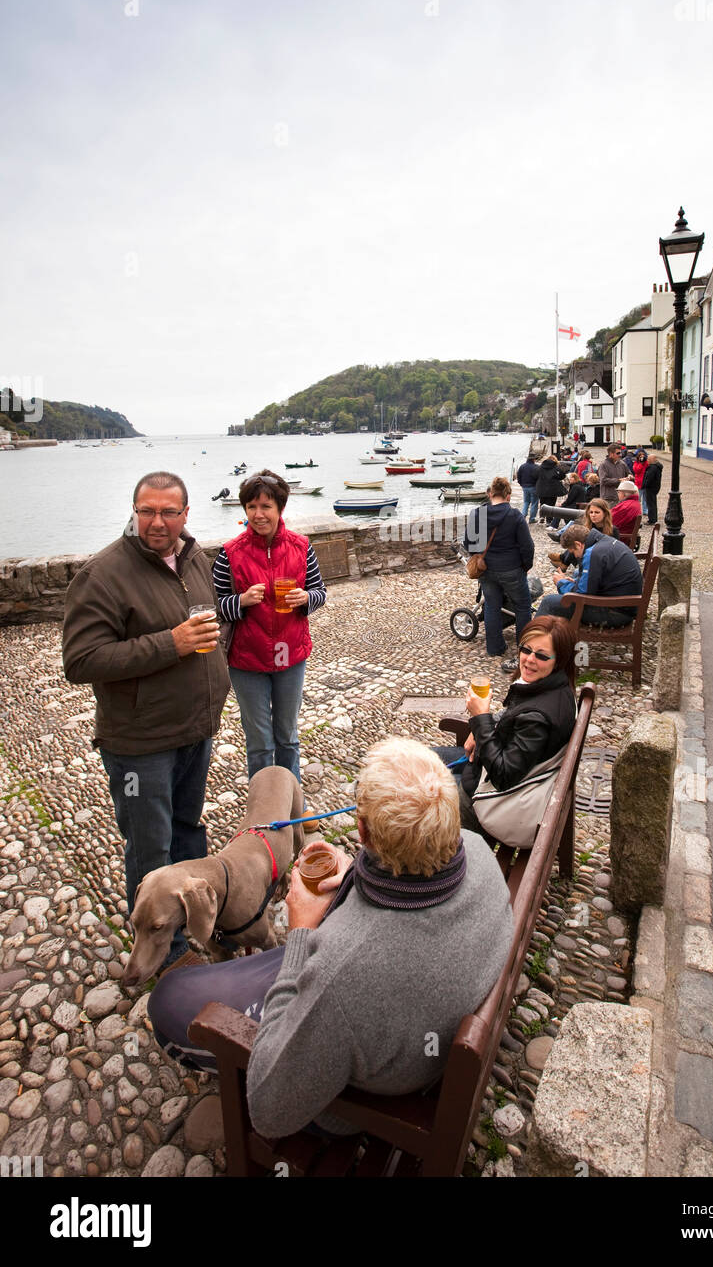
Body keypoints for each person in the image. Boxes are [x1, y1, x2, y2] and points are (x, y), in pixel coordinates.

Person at [147, 738, 513, 1139]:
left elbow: (271, 1111)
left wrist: (301, 932)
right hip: (414, 1006)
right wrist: (356, 872)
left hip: (362, 1100)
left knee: (170, 996)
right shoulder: (476, 849)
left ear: (362, 831)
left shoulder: (342, 969)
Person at [62, 471, 230, 971]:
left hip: (193, 731)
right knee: (151, 846)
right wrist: (171, 643)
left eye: (168, 512)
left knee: (186, 832)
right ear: (135, 511)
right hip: (140, 743)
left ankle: (195, 921)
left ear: (185, 514)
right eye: (146, 511)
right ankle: (167, 954)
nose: (156, 522)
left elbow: (207, 623)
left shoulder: (196, 558)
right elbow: (82, 660)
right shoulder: (103, 574)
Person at [212, 470, 326, 781]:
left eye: (266, 507)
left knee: (287, 736)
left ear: (280, 509)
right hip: (247, 660)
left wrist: (305, 598)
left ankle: (292, 799)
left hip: (290, 654)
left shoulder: (301, 547)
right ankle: (264, 808)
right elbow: (213, 605)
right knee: (260, 742)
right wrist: (241, 601)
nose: (258, 515)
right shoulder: (229, 554)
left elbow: (320, 593)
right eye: (251, 507)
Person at [441, 616, 577, 840]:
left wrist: (481, 718)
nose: (530, 660)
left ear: (559, 660)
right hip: (490, 763)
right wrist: (481, 729)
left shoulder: (538, 717)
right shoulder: (554, 687)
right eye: (526, 649)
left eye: (541, 655)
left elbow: (503, 775)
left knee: (415, 790)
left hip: (483, 796)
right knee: (417, 762)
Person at [464, 476, 534, 670]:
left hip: (487, 569)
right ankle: (524, 649)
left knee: (492, 606)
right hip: (512, 568)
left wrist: (479, 557)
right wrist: (525, 567)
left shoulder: (477, 514)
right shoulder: (515, 516)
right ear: (508, 496)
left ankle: (494, 648)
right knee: (522, 607)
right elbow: (527, 546)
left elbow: (469, 543)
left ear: (490, 494)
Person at [536, 524, 642, 626]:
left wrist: (561, 583)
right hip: (625, 605)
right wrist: (574, 582)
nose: (574, 555)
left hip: (616, 613)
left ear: (578, 544)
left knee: (548, 602)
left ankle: (532, 641)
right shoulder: (604, 541)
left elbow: (582, 595)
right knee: (569, 584)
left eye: (572, 551)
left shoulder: (592, 553)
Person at [535, 455, 567, 523]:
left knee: (542, 502)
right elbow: (562, 475)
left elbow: (535, 475)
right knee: (551, 504)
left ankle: (542, 516)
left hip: (541, 488)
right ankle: (549, 520)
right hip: (553, 489)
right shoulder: (556, 467)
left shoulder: (540, 467)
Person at [516, 453, 542, 522]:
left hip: (525, 487)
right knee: (534, 503)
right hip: (533, 487)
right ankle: (532, 519)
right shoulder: (536, 467)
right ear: (533, 459)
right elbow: (539, 478)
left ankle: (523, 516)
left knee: (526, 502)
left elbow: (518, 476)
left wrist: (521, 484)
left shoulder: (522, 466)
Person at [642, 453, 663, 524]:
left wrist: (644, 485)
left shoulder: (652, 468)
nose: (647, 460)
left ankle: (652, 520)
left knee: (650, 504)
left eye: (648, 459)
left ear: (652, 460)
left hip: (650, 488)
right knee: (653, 503)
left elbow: (648, 478)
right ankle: (654, 518)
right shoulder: (657, 467)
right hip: (655, 487)